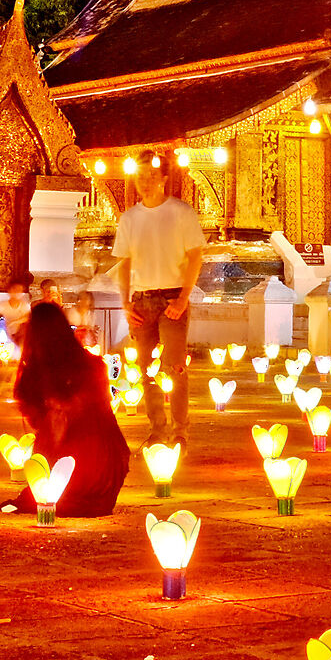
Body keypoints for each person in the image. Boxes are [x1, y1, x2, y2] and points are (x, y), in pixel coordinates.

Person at [0, 302, 128, 516]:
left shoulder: (39, 372)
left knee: (54, 420)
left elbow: (38, 421)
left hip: (72, 465)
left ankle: (61, 491)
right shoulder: (94, 364)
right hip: (108, 468)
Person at [113, 154, 204, 446]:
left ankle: (180, 429)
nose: (146, 182)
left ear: (164, 180)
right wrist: (125, 303)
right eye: (140, 177)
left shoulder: (181, 212)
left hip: (171, 298)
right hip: (141, 301)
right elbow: (124, 263)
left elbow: (196, 257)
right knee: (146, 370)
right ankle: (157, 428)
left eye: (151, 177)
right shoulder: (129, 218)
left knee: (174, 367)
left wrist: (183, 298)